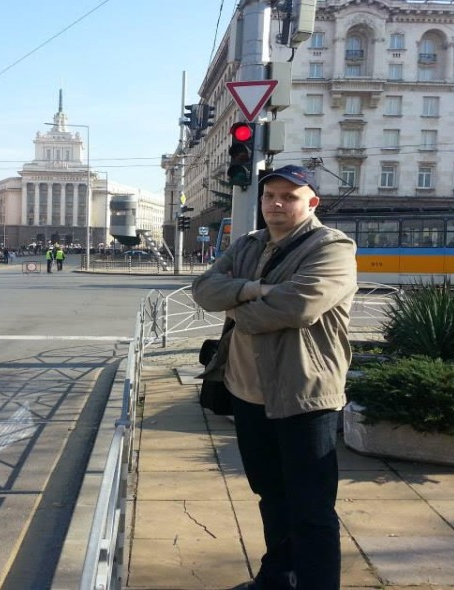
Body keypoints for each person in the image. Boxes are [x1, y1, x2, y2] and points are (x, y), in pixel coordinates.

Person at [192, 165, 357, 590]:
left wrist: (235, 303)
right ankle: (278, 580)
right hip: (247, 393)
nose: (277, 204)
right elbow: (204, 289)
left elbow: (299, 307)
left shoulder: (333, 247)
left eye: (289, 196)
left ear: (311, 202)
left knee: (312, 508)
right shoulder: (249, 244)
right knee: (271, 495)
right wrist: (256, 290)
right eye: (270, 196)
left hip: (303, 395)